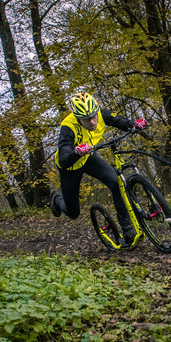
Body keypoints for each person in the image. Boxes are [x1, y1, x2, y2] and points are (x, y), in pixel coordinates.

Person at [51, 92, 147, 246]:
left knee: (116, 182)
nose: (92, 121)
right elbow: (63, 158)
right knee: (73, 212)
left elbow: (117, 120)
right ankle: (56, 199)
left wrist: (133, 124)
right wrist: (76, 152)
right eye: (86, 119)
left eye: (93, 116)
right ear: (77, 117)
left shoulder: (99, 114)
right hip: (70, 166)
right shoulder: (68, 127)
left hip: (88, 158)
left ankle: (127, 227)